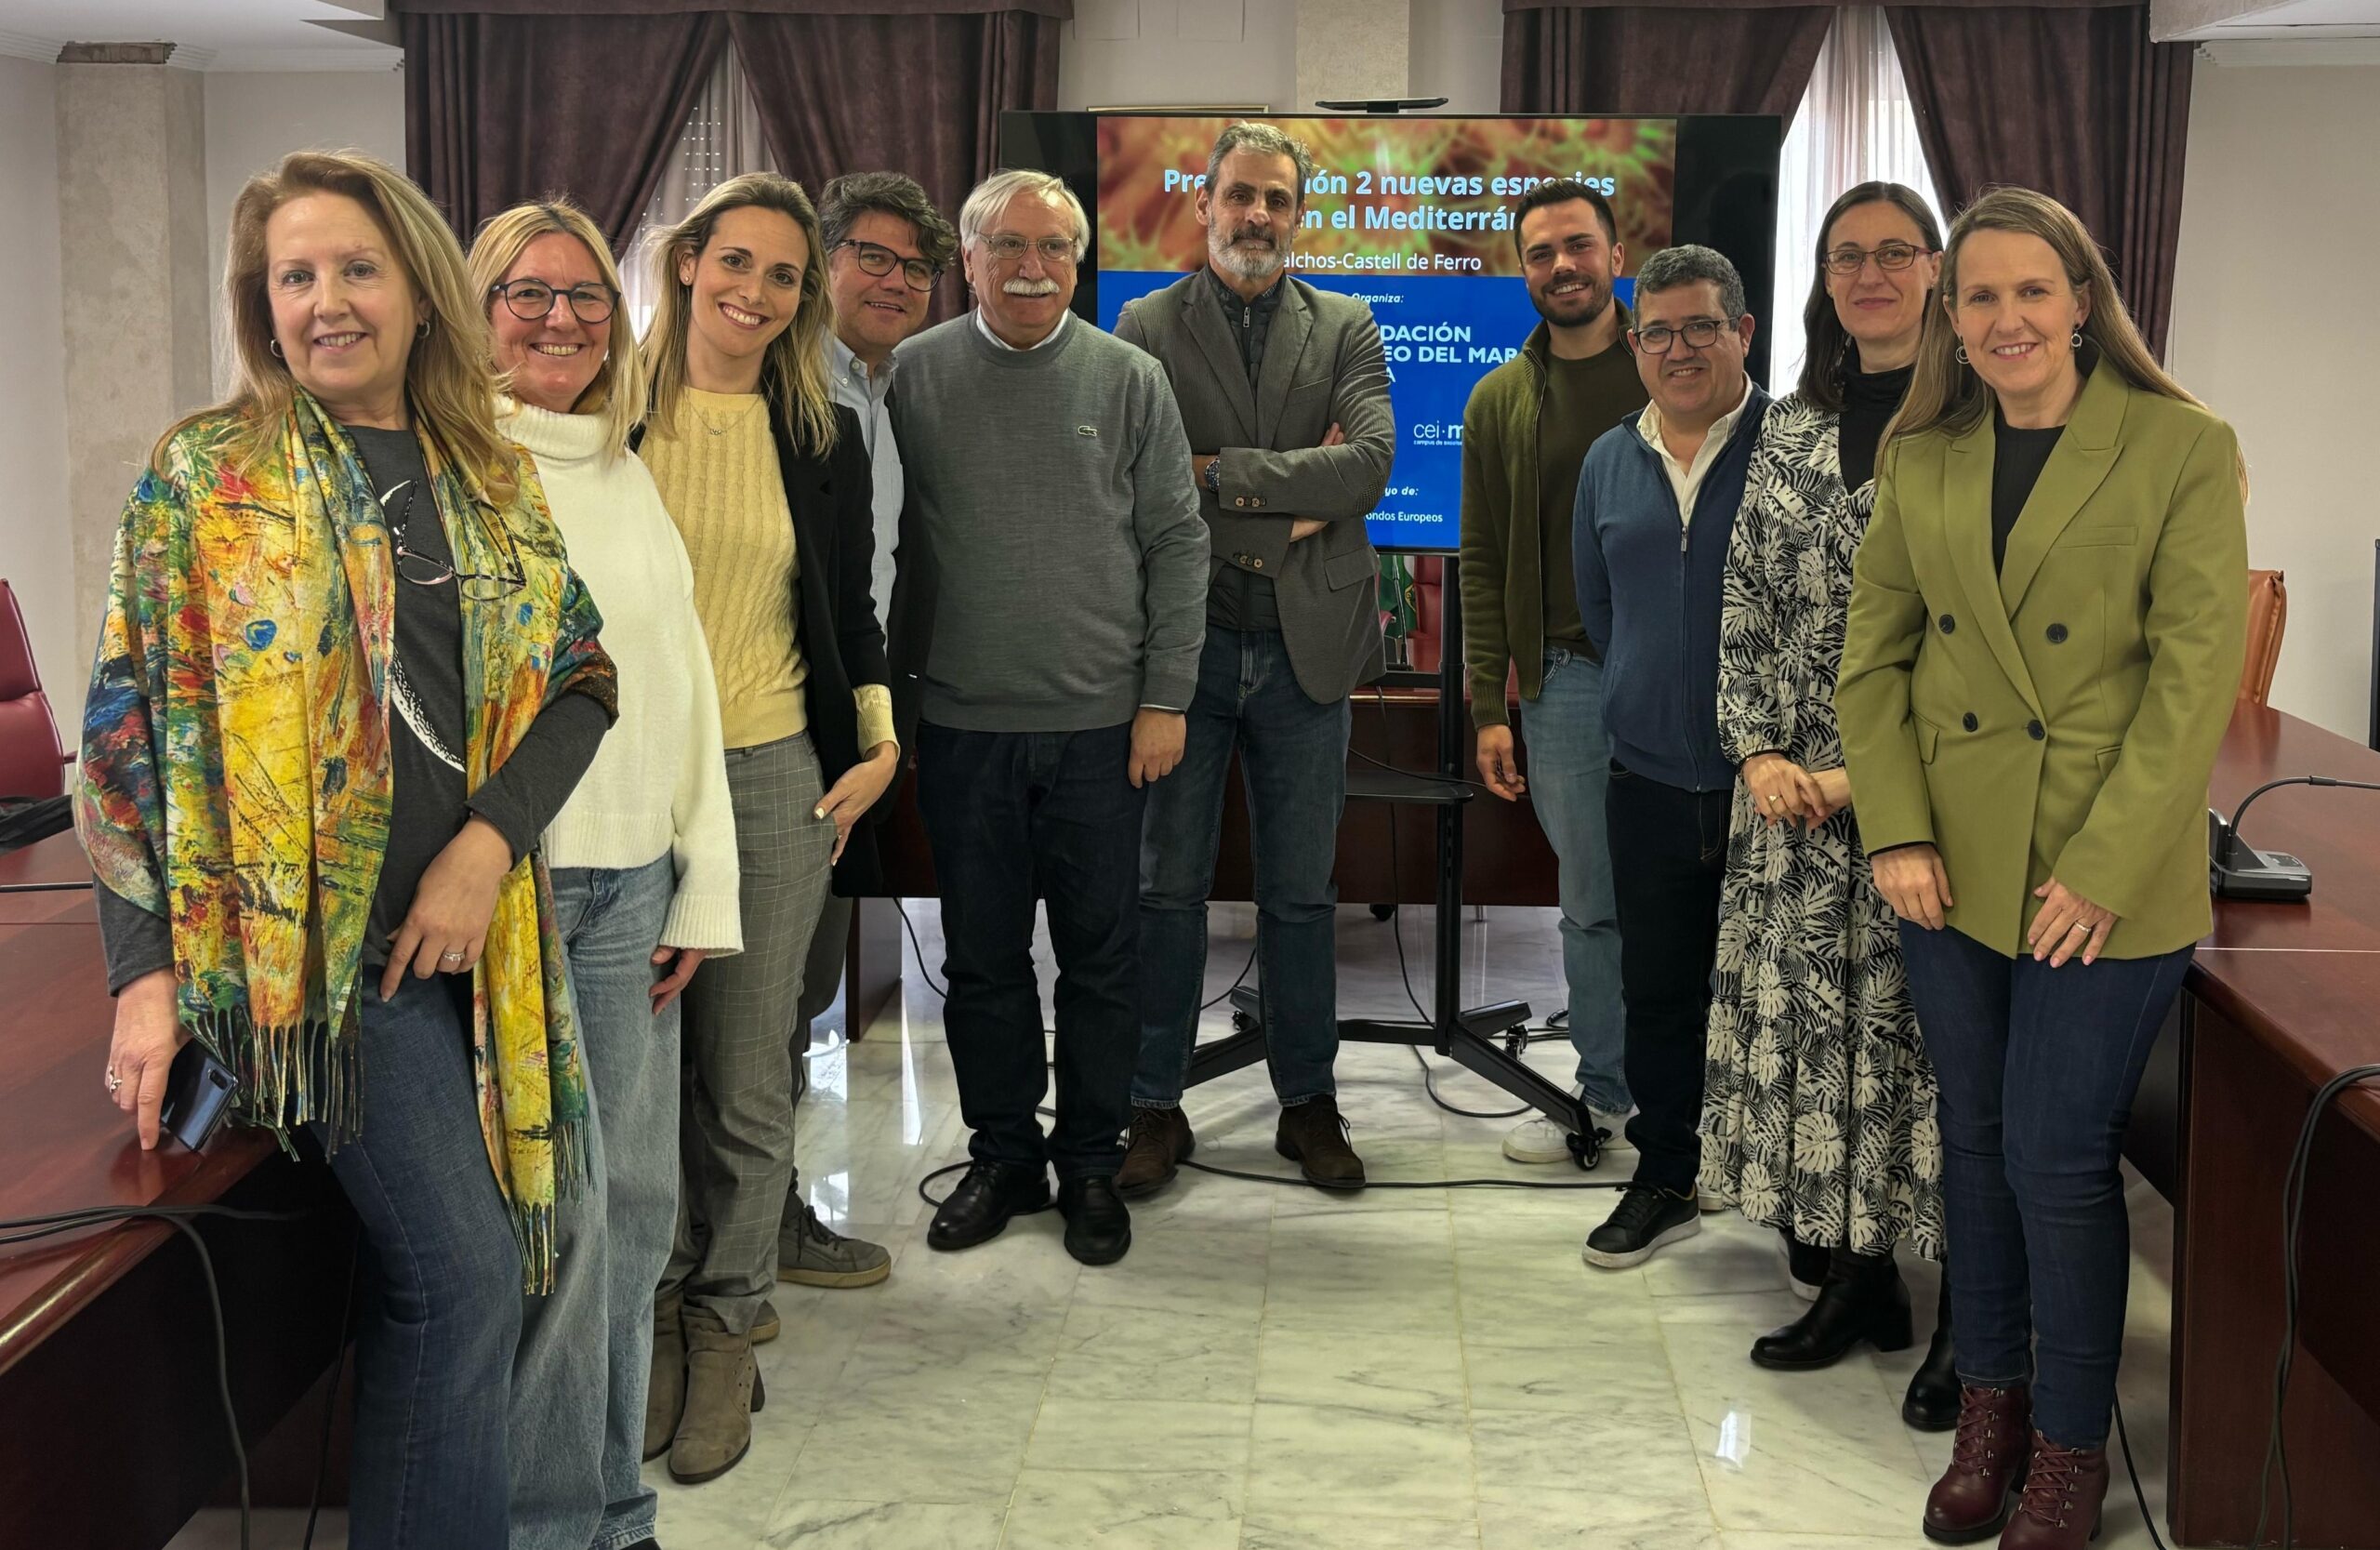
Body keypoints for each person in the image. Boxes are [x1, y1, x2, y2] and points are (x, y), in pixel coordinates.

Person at [79, 150, 615, 1550]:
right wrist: (142, 977)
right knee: (463, 1279)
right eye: (295, 276)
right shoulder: (208, 476)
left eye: (357, 268)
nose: (327, 301)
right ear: (261, 307)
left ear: (421, 291)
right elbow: (124, 736)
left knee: (481, 1276)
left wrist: (487, 843)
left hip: (477, 944)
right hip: (318, 968)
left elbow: (583, 679)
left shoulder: (485, 473)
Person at [1837, 186, 2247, 1548]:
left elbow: (2191, 684)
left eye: (2031, 290)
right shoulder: (1923, 455)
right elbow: (1873, 662)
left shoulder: (2181, 445)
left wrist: (2106, 865)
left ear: (2081, 300)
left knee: (2059, 1157)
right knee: (1975, 1141)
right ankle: (1991, 1410)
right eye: (1981, 296)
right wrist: (1895, 828)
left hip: (2100, 870)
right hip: (1949, 868)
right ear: (1951, 319)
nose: (2005, 317)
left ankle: (2071, 1444)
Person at [469, 198, 741, 1550]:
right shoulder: (455, 469)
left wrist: (701, 886)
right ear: (474, 310)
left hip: (632, 883)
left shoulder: (623, 470)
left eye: (586, 295)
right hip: (515, 894)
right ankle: (548, 1525)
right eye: (528, 293)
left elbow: (680, 684)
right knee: (560, 1226)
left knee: (634, 1214)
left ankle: (613, 1514)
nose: (562, 318)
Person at [892, 168, 1208, 1266]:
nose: (1033, 267)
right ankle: (1004, 1157)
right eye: (1009, 246)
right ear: (968, 261)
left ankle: (1088, 1162)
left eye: (1055, 248)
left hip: (1100, 728)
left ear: (1080, 261)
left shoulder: (1130, 378)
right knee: (981, 960)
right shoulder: (912, 375)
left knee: (1101, 961)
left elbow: (1177, 541)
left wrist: (1164, 697)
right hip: (961, 727)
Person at [637, 171, 900, 1486]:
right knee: (643, 1081)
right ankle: (654, 1317)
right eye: (734, 261)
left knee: (746, 1081)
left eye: (783, 275)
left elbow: (849, 605)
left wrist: (878, 737)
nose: (755, 291)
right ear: (688, 260)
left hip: (772, 775)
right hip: (621, 784)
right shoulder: (602, 415)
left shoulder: (819, 431)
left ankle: (727, 1326)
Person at [1692, 182, 1958, 1430]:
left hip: (1930, 808)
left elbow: (1974, 636)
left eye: (1895, 252)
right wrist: (1755, 751)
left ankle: (1966, 1318)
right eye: (1846, 255)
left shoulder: (1976, 420)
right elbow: (1742, 596)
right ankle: (1856, 1280)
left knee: (1928, 1060)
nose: (1870, 274)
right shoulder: (1793, 427)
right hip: (1791, 809)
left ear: (1937, 269)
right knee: (1818, 1051)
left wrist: (1872, 773)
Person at [1113, 121, 1393, 1196]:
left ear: (1298, 214)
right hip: (1181, 650)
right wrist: (1287, 500)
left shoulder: (1347, 322)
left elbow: (1367, 466)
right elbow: (1140, 484)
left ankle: (1306, 1101)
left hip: (1306, 650)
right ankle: (1151, 1101)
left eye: (1277, 198)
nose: (1258, 215)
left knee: (1301, 896)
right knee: (1164, 889)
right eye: (1240, 194)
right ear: (1204, 203)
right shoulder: (1142, 325)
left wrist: (1216, 476)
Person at [1572, 244, 1770, 1270]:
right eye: (1657, 332)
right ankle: (1665, 1174)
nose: (1678, 349)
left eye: (1701, 326)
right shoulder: (1609, 460)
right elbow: (1600, 609)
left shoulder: (1796, 451)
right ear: (1635, 343)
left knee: (1775, 1000)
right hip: (1646, 776)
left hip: (1773, 785)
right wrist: (1645, 695)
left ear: (1743, 332)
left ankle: (1789, 1201)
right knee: (1656, 992)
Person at [1461, 177, 1647, 1169]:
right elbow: (1483, 558)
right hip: (1565, 684)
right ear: (1522, 271)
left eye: (1578, 245)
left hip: (1678, 680)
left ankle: (1700, 1112)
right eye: (1540, 253)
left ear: (1617, 256)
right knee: (1592, 905)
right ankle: (1607, 1097)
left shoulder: (1673, 369)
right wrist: (1489, 703)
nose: (1562, 266)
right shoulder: (1499, 399)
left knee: (1693, 898)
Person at [787, 171, 955, 1091]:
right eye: (874, 257)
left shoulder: (890, 390)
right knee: (758, 997)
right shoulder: (784, 385)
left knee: (804, 980)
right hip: (783, 734)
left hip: (859, 729)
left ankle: (768, 1168)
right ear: (824, 260)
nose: (897, 282)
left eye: (917, 268)